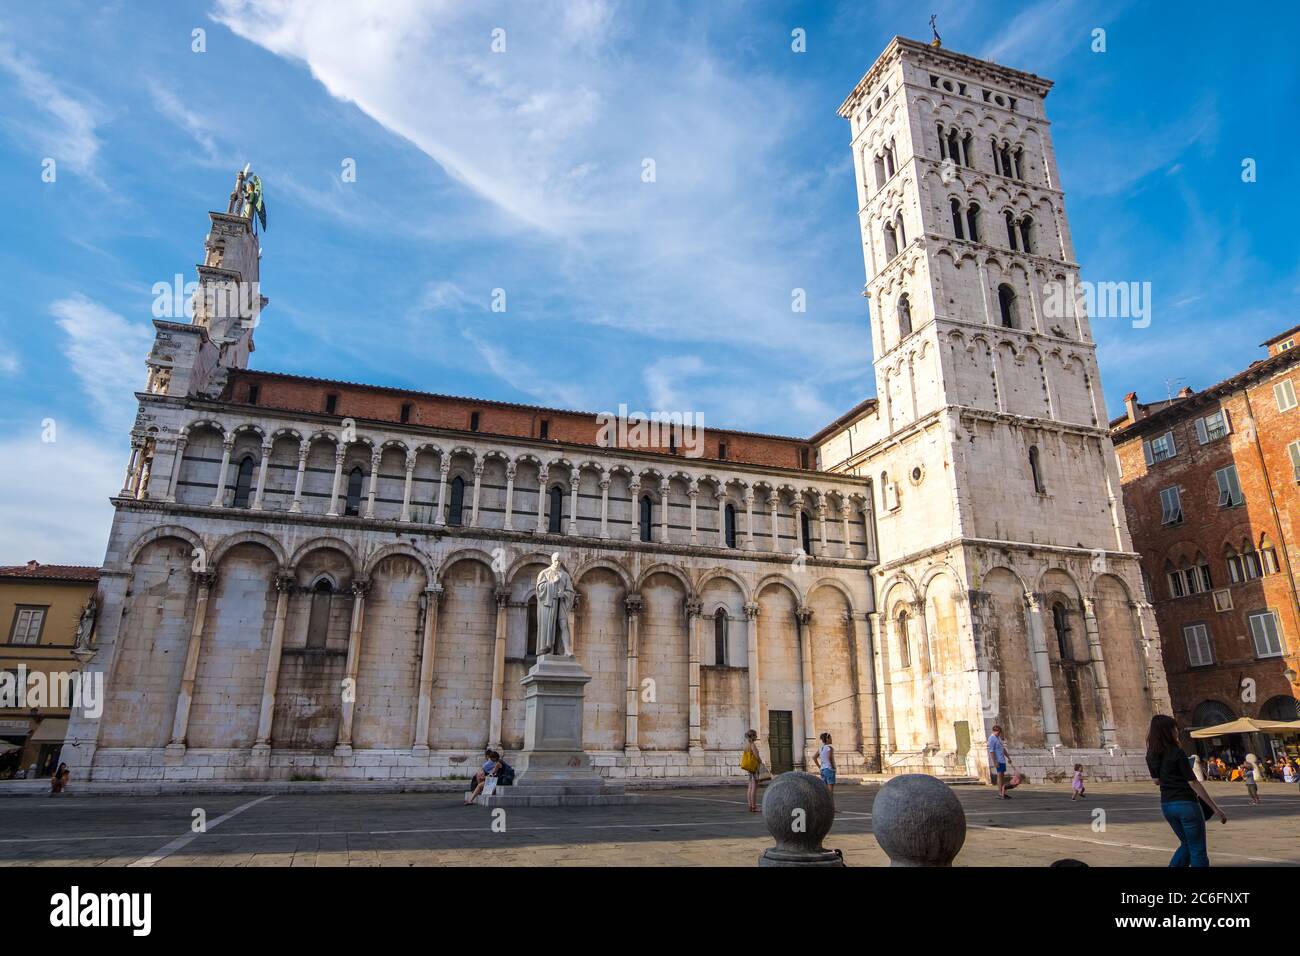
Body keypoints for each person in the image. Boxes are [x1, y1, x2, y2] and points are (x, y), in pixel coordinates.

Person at [1146, 714, 1226, 867]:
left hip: (1167, 805)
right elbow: (1193, 782)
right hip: (1186, 804)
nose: (1177, 731)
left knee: (1187, 844)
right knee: (1197, 849)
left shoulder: (1150, 755)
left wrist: (1168, 776)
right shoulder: (1176, 752)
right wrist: (1215, 808)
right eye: (1175, 728)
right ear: (1168, 731)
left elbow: (1156, 781)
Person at [740, 730, 767, 812]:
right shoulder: (752, 745)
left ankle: (750, 805)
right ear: (752, 736)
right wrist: (761, 762)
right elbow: (756, 756)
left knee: (750, 787)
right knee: (754, 787)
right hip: (754, 768)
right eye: (755, 735)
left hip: (749, 768)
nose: (756, 737)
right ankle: (754, 806)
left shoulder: (746, 745)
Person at [987, 725, 1013, 798]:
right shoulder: (991, 738)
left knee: (1002, 776)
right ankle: (1000, 793)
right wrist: (995, 761)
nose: (999, 733)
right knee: (999, 776)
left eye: (999, 732)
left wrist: (1008, 757)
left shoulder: (998, 738)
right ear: (994, 731)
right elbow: (991, 751)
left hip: (1002, 760)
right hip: (998, 760)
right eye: (998, 732)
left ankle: (1003, 792)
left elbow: (1003, 749)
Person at [815, 732, 836, 803]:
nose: (831, 739)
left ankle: (825, 805)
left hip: (823, 770)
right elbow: (830, 758)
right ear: (827, 739)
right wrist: (833, 767)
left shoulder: (820, 748)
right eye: (830, 738)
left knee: (825, 789)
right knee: (830, 790)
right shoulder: (830, 748)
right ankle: (831, 807)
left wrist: (819, 766)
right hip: (829, 769)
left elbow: (814, 757)